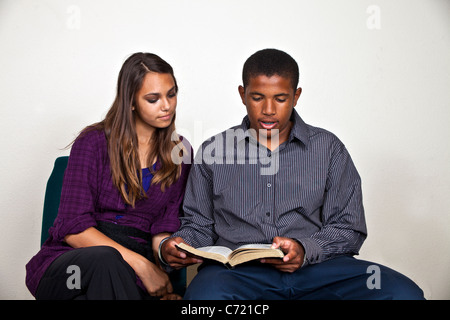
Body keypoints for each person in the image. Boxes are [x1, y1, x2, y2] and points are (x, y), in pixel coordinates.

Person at [159, 48, 425, 300]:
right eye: (257, 97)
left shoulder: (329, 149)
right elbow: (199, 225)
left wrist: (304, 249)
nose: (269, 110)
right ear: (242, 94)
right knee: (204, 296)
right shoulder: (213, 151)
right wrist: (180, 245)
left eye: (281, 98)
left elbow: (348, 227)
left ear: (296, 96)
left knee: (403, 292)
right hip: (237, 275)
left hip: (318, 270)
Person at [26, 52, 192, 300]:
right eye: (153, 99)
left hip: (127, 273)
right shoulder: (92, 142)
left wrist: (165, 251)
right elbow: (73, 228)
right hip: (71, 264)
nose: (167, 105)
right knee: (106, 260)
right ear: (131, 101)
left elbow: (162, 227)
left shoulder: (180, 151)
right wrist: (141, 265)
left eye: (171, 94)